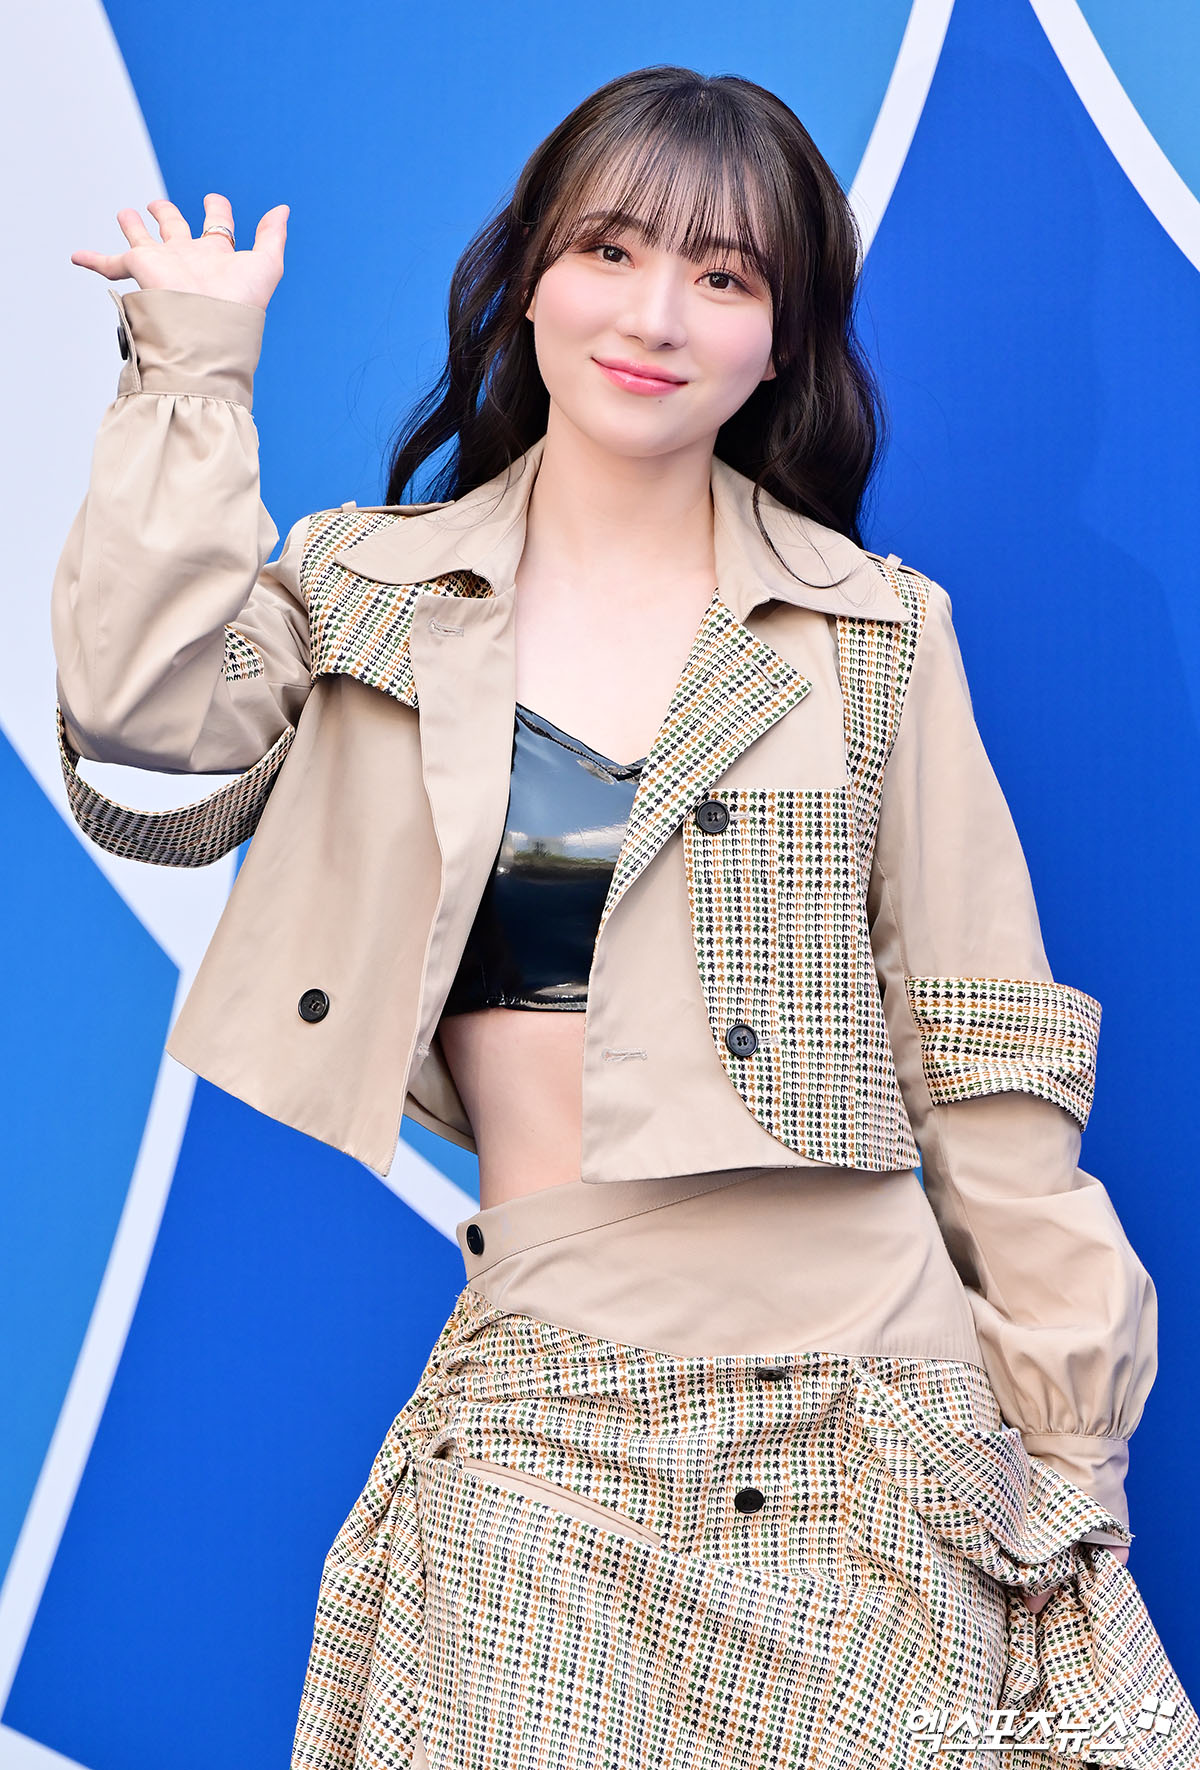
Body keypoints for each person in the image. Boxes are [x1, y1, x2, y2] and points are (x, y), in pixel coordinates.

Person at [56, 64, 1195, 1770]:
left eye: (725, 276)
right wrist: (192, 368)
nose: (657, 315)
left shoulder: (878, 631)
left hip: (864, 1427)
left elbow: (987, 1062)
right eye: (610, 250)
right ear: (530, 275)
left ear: (782, 339)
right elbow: (142, 703)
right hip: (547, 1409)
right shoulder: (368, 588)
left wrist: (1070, 1446)